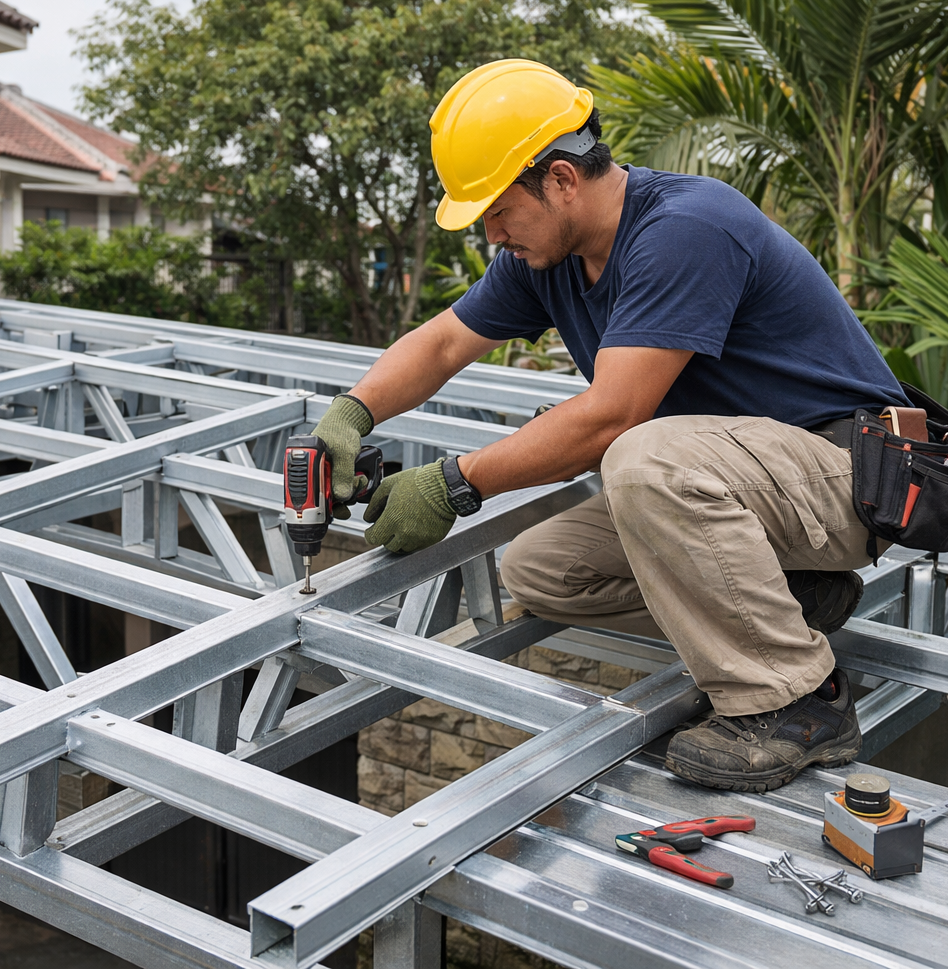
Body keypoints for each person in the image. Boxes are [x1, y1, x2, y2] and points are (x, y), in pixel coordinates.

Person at [307, 58, 908, 794]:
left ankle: (799, 704)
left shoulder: (685, 228)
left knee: (640, 454)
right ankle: (792, 602)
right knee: (541, 569)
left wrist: (454, 485)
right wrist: (350, 413)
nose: (493, 233)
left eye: (498, 210)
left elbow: (610, 417)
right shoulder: (546, 257)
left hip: (852, 477)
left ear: (560, 178)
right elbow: (441, 343)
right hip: (755, 493)